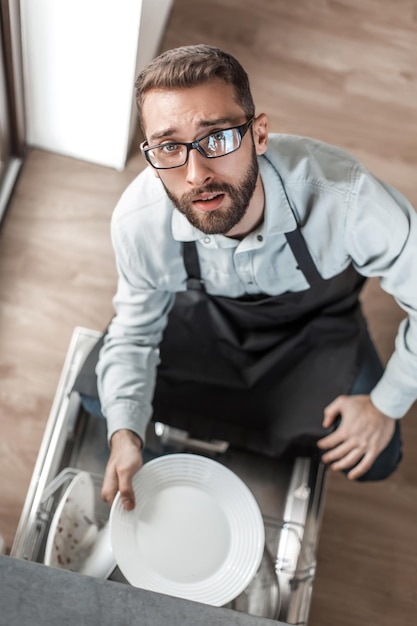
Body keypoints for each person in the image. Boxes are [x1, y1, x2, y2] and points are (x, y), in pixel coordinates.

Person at [86, 44, 416, 511]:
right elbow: (135, 336)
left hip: (315, 331)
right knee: (107, 410)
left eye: (216, 138)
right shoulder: (139, 221)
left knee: (382, 456)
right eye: (169, 147)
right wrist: (125, 436)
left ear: (259, 134)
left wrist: (384, 405)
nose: (196, 173)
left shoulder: (347, 199)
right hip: (208, 323)